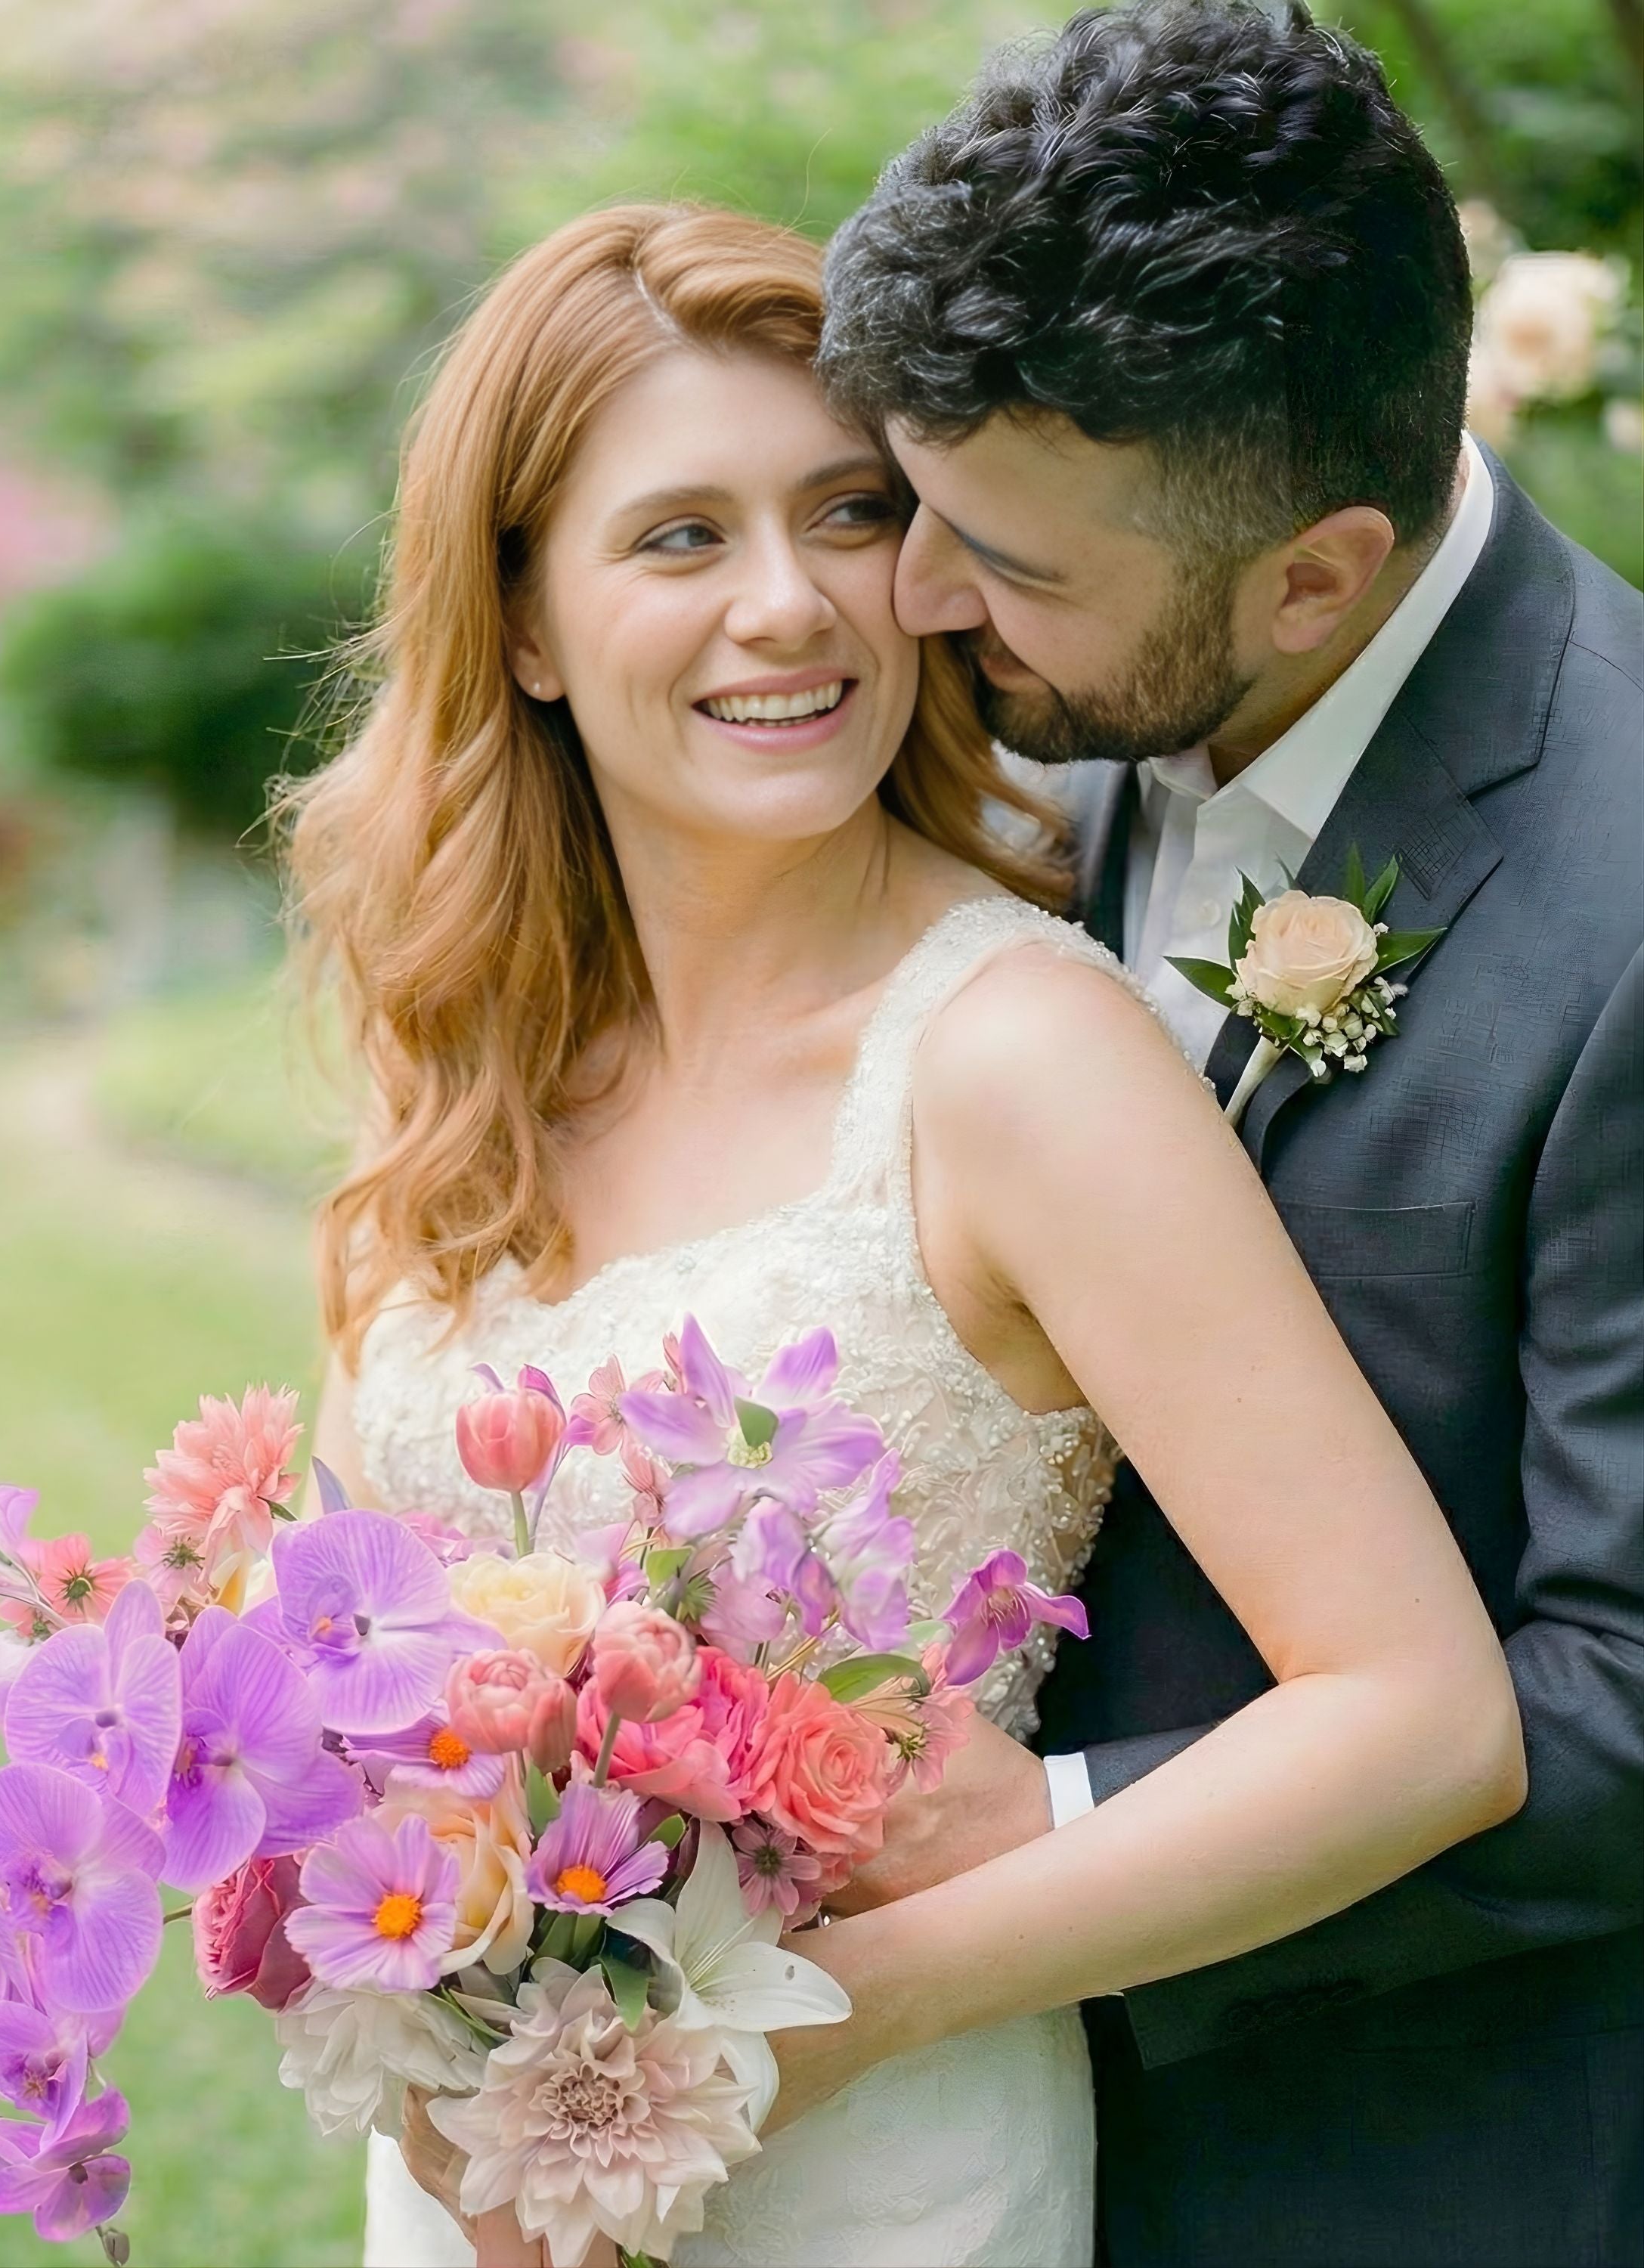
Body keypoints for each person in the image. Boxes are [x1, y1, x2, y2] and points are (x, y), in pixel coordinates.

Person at [284, 201, 1522, 2268]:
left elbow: (1420, 1718)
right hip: (476, 2182)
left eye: (847, 514)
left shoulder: (1015, 1059)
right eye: (681, 537)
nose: (788, 606)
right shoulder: (465, 1085)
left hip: (889, 2165)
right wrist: (409, 2023)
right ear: (522, 624)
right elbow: (341, 1680)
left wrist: (833, 2022)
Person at [816, 4, 1644, 2263]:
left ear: (1312, 574)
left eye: (1008, 563)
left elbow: (1630, 1696)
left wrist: (1058, 1835)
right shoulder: (1015, 733)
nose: (914, 600)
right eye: (915, 504)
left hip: (1399, 2161)